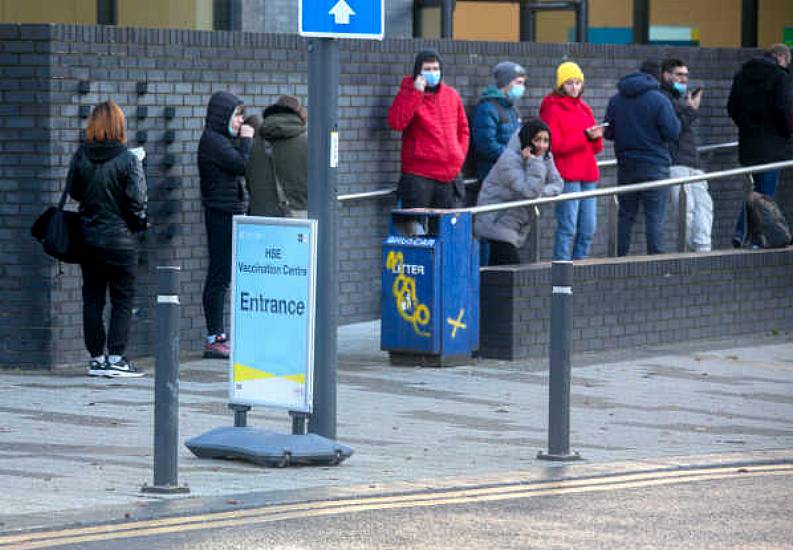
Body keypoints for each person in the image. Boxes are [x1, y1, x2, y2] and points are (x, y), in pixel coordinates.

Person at [67, 100, 147, 377]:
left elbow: (75, 193)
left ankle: (95, 358)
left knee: (92, 297)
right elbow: (137, 202)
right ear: (119, 126)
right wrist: (137, 226)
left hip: (88, 238)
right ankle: (116, 357)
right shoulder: (129, 160)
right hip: (120, 241)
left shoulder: (81, 156)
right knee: (122, 299)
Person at [198, 91, 254, 359]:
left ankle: (218, 335)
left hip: (226, 211)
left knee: (224, 275)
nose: (240, 121)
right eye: (237, 115)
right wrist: (247, 140)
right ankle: (215, 337)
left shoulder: (219, 140)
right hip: (220, 213)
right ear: (224, 116)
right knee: (219, 275)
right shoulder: (214, 142)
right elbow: (243, 165)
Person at [604, 61, 681, 256]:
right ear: (656, 77)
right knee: (654, 216)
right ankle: (655, 261)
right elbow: (672, 132)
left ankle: (617, 259)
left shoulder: (616, 100)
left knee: (626, 215)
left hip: (626, 165)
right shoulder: (660, 99)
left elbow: (609, 133)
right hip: (655, 165)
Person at [387, 48, 470, 217]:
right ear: (418, 71)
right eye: (428, 69)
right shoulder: (408, 93)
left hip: (449, 177)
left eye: (436, 68)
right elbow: (397, 123)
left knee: (445, 233)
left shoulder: (451, 95)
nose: (433, 73)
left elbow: (463, 129)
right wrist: (416, 93)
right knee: (416, 234)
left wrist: (458, 155)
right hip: (419, 177)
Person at [727, 43, 793, 247]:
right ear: (780, 57)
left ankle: (742, 234)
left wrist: (747, 127)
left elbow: (731, 107)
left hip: (748, 145)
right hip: (772, 145)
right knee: (765, 194)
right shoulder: (779, 76)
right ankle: (752, 236)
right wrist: (785, 132)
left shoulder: (742, 76)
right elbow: (783, 108)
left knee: (756, 190)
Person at [474, 119, 564, 265]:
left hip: (514, 222)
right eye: (537, 140)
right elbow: (529, 191)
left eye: (546, 140)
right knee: (509, 271)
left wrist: (540, 191)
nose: (542, 145)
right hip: (497, 220)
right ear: (528, 140)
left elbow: (557, 184)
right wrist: (534, 162)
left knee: (498, 274)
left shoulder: (545, 157)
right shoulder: (509, 159)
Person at [540, 61, 603, 260]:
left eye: (577, 83)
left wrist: (596, 136)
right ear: (561, 85)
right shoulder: (551, 108)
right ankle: (562, 270)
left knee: (588, 228)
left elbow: (596, 148)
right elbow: (555, 145)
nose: (574, 87)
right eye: (569, 83)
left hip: (588, 175)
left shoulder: (585, 109)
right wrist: (585, 136)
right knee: (567, 227)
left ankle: (579, 267)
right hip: (567, 175)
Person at [660, 57, 713, 252]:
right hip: (676, 163)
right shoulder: (663, 99)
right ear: (666, 75)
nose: (684, 79)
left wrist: (689, 108)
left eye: (686, 76)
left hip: (694, 163)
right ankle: (696, 250)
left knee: (705, 206)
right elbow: (673, 129)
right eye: (679, 75)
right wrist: (691, 110)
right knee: (686, 210)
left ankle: (704, 248)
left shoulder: (678, 100)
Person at [247, 95, 308, 218]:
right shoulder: (310, 144)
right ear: (301, 115)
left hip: (260, 222)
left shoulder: (252, 144)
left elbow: (249, 185)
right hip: (298, 223)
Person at [471, 61, 526, 184]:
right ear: (505, 83)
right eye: (518, 83)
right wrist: (515, 155)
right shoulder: (487, 108)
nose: (522, 87)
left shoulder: (512, 108)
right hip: (494, 175)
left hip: (511, 173)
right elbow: (486, 146)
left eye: (523, 83)